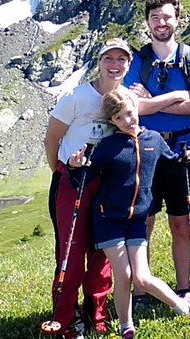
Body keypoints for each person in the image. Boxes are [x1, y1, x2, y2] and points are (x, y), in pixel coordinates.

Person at [72, 89, 190, 339]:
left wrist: (189, 159)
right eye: (120, 118)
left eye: (130, 113)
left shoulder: (153, 139)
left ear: (137, 108)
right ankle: (125, 326)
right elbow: (87, 176)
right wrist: (75, 167)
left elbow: (173, 163)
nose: (128, 120)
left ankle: (183, 305)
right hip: (108, 219)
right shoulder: (107, 147)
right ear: (112, 122)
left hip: (136, 221)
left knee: (141, 277)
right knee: (125, 275)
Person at [123, 0, 190, 302]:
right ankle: (141, 290)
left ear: (177, 20)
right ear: (148, 23)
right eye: (155, 18)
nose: (161, 23)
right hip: (145, 151)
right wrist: (174, 98)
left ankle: (183, 289)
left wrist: (151, 102)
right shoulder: (139, 60)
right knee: (143, 222)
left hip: (180, 151)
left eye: (166, 17)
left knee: (181, 222)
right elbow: (132, 108)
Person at [42, 38, 129, 338]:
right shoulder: (76, 97)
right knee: (71, 253)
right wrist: (62, 171)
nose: (114, 65)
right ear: (99, 62)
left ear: (128, 64)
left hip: (107, 185)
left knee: (102, 252)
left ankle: (97, 314)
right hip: (72, 183)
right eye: (109, 59)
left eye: (121, 59)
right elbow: (51, 140)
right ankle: (65, 319)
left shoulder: (127, 99)